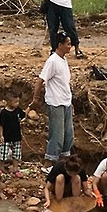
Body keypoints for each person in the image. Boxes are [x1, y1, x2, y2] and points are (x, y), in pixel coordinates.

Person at [31, 32, 74, 172]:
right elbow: (40, 80)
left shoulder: (63, 59)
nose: (70, 46)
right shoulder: (52, 61)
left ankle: (63, 162)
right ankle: (49, 163)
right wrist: (36, 99)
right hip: (55, 103)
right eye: (68, 43)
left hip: (66, 102)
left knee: (68, 134)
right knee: (57, 134)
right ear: (60, 45)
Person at [0, 91, 27, 178]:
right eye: (15, 102)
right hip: (6, 137)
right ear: (9, 102)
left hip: (16, 137)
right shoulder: (4, 113)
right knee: (3, 153)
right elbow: (1, 125)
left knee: (16, 154)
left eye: (18, 102)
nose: (17, 104)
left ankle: (15, 168)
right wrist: (1, 135)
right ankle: (0, 167)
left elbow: (23, 115)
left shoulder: (18, 110)